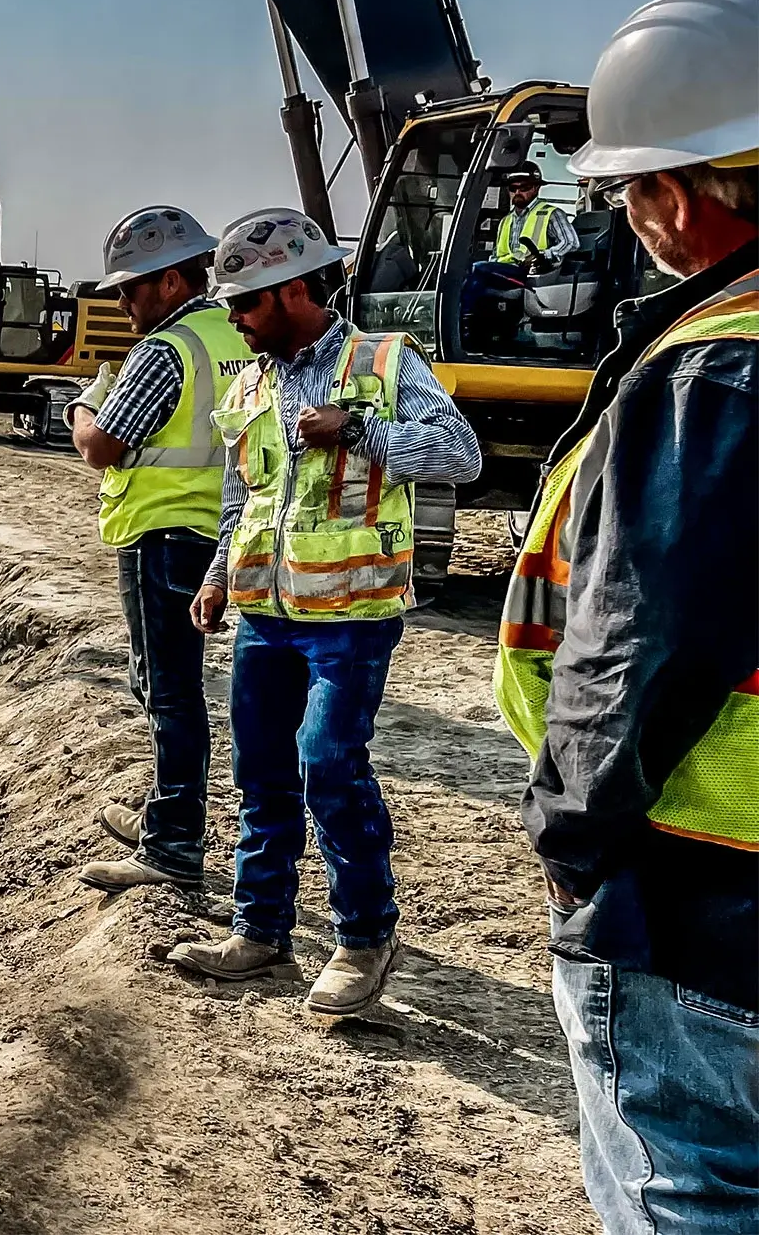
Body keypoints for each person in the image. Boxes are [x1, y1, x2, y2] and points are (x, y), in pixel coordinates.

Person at [497, 0, 759, 1233]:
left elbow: (636, 648)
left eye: (624, 191)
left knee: (688, 1197)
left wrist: (573, 845)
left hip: (697, 909)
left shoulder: (716, 367)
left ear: (678, 194)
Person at [167, 207, 481, 1016]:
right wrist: (216, 575)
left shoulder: (382, 362)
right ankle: (259, 930)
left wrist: (360, 430)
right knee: (262, 771)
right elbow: (244, 498)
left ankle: (364, 938)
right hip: (265, 618)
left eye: (245, 303)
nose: (235, 320)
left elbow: (461, 454)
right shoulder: (251, 383)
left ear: (295, 290)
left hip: (351, 615)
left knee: (328, 763)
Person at [63, 206, 247, 892]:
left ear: (171, 280)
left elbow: (101, 448)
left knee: (167, 691)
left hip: (163, 534)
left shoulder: (165, 351)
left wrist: (84, 406)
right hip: (217, 533)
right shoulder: (233, 335)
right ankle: (167, 816)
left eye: (130, 288)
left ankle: (172, 843)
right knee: (177, 688)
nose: (123, 304)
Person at [460, 164, 582, 321]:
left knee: (477, 269)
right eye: (513, 188)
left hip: (530, 274)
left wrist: (543, 255)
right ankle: (471, 321)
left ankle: (464, 321)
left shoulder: (551, 214)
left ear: (536, 188)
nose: (517, 192)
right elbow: (496, 254)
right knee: (465, 271)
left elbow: (571, 243)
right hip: (504, 272)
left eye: (524, 187)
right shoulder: (505, 221)